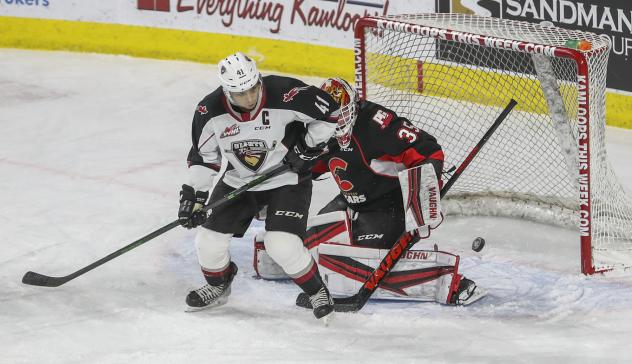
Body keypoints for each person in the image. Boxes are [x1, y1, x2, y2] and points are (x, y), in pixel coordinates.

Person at [254, 78, 484, 306]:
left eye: (342, 115)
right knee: (305, 239)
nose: (337, 123)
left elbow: (427, 150)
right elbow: (307, 167)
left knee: (355, 260)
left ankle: (451, 282)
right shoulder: (317, 130)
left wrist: (424, 198)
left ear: (354, 108)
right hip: (351, 202)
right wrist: (271, 191)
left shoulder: (376, 124)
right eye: (330, 117)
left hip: (391, 206)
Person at [177, 52, 339, 321]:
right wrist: (195, 197)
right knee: (207, 241)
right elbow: (204, 159)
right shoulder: (208, 112)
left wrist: (309, 146)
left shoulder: (286, 93)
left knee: (281, 243)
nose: (250, 98)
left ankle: (317, 292)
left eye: (253, 89)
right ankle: (219, 284)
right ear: (227, 91)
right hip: (239, 180)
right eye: (241, 94)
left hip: (287, 177)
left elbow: (330, 111)